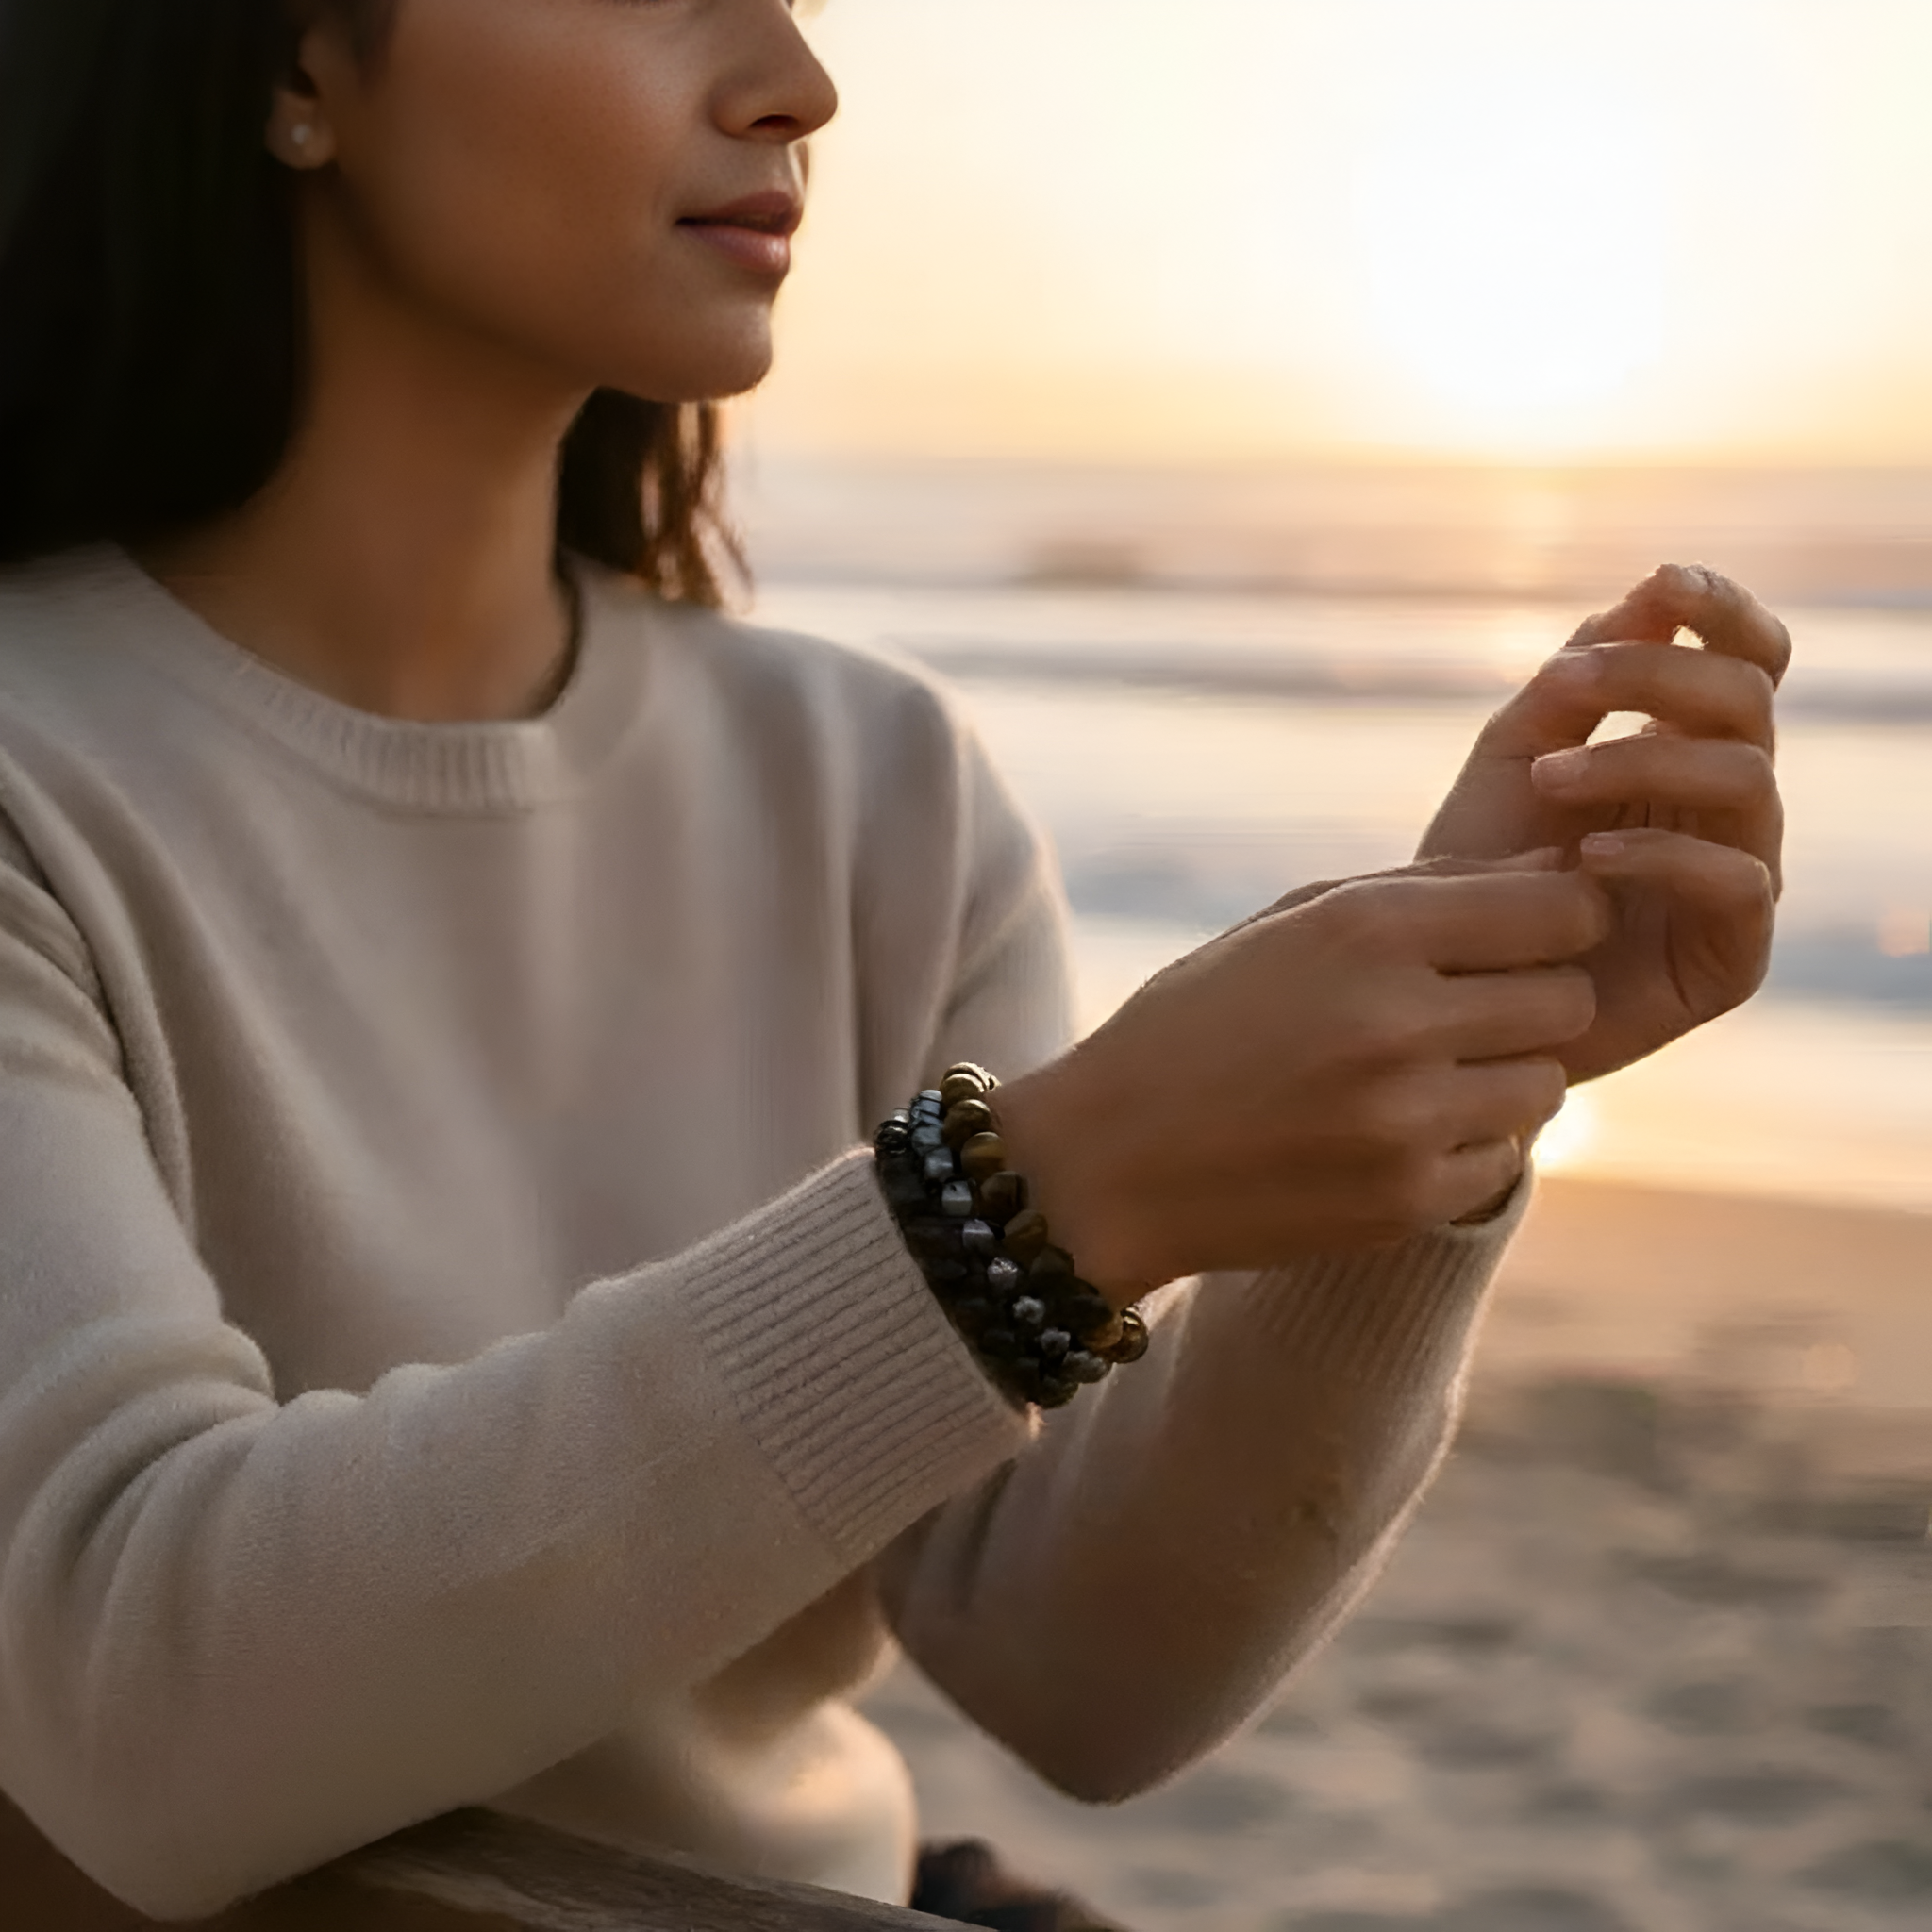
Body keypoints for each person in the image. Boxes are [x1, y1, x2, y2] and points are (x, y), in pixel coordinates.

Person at [0, 1, 1788, 1924]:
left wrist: (1458, 1064)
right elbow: (139, 1710)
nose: (799, 83)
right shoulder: (41, 782)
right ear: (293, 66)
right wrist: (1032, 1202)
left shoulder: (873, 784)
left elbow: (1087, 1677)